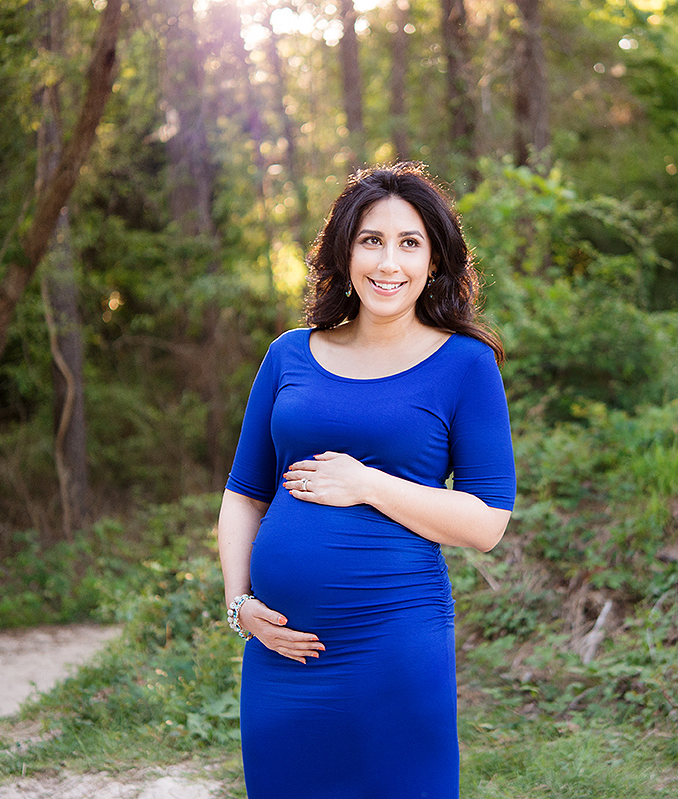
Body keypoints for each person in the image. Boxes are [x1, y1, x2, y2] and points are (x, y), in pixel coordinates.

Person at [217, 162, 516, 799]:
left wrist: (368, 483)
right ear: (344, 252)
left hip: (394, 649)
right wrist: (240, 605)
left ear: (435, 260)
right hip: (281, 657)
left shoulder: (465, 364)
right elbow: (244, 493)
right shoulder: (288, 354)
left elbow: (488, 522)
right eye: (371, 240)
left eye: (410, 243)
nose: (388, 263)